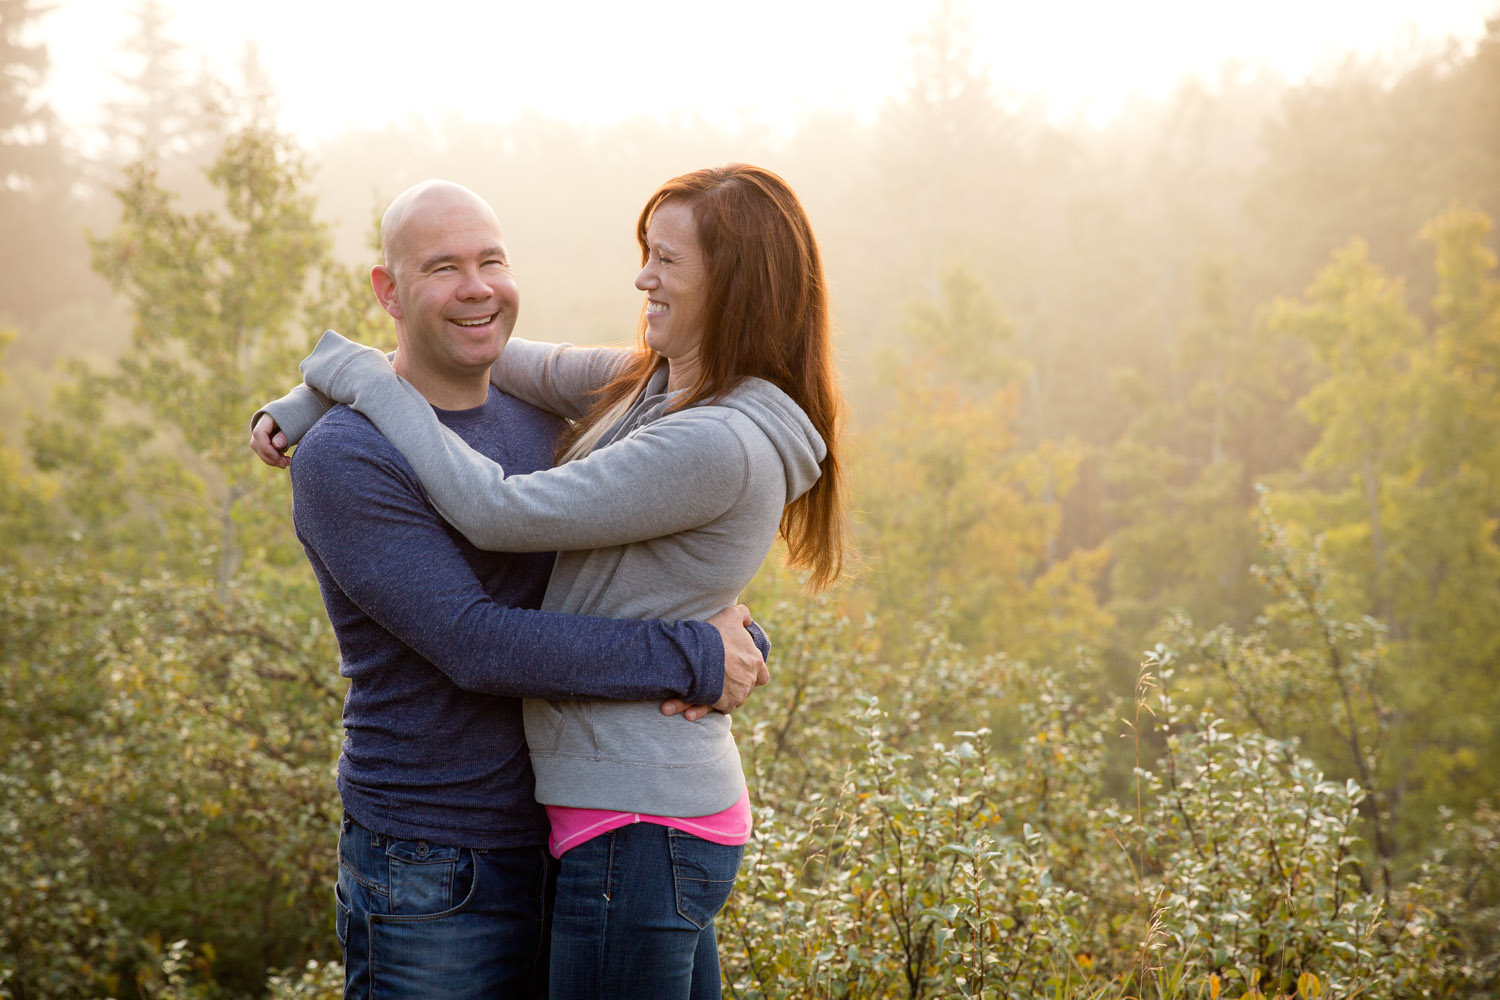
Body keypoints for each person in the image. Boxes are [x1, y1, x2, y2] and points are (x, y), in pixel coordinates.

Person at [260, 163, 849, 998]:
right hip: (438, 856)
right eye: (443, 268)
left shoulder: (609, 416)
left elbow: (631, 566)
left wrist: (727, 640)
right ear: (388, 291)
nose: (478, 290)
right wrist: (324, 388)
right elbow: (476, 642)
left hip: (588, 826)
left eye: (492, 262)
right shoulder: (352, 458)